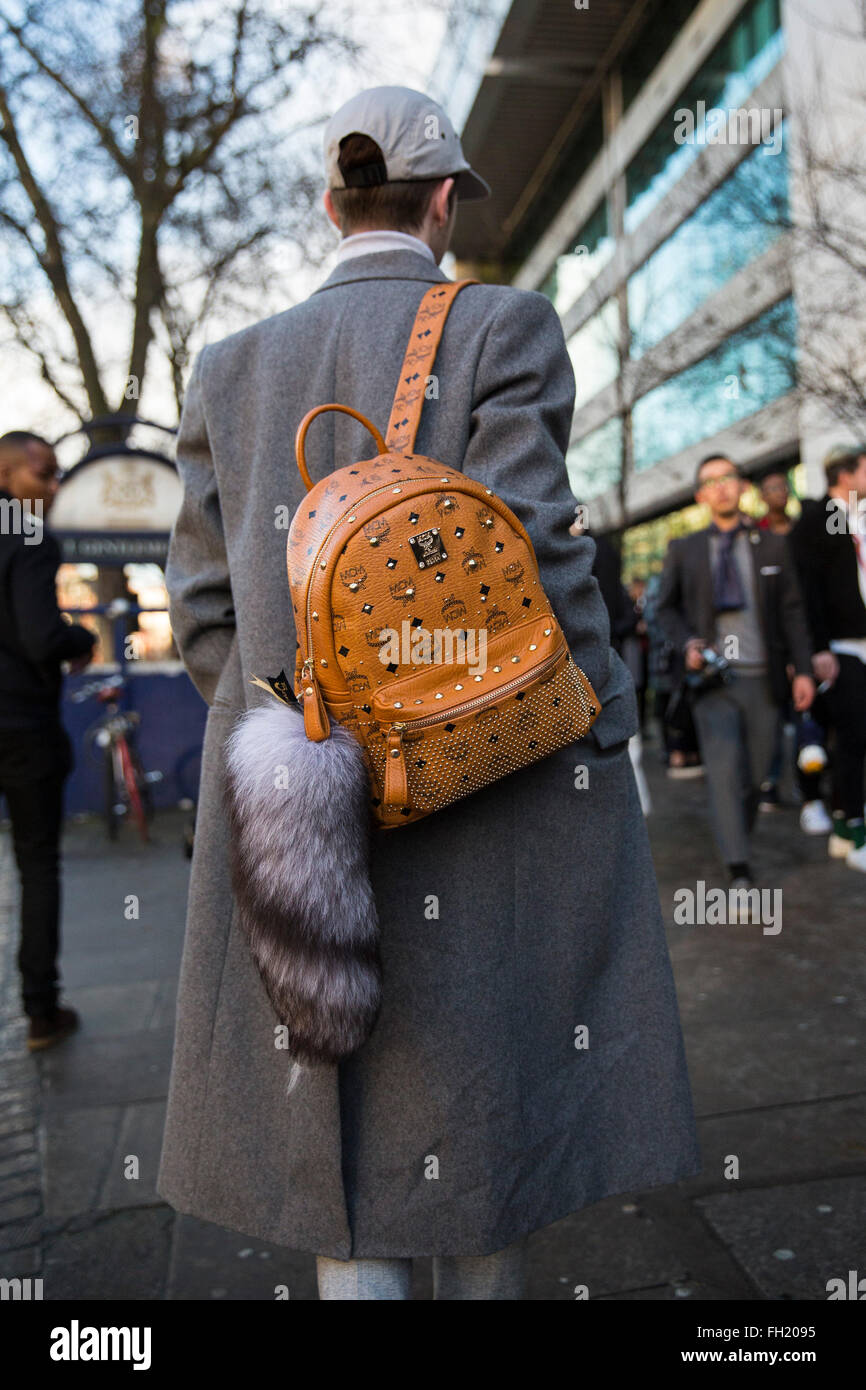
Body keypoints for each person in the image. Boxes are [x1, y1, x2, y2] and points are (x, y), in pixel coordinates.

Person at [157, 85, 701, 1301]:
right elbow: (540, 553)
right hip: (478, 778)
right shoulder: (501, 325)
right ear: (443, 198)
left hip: (295, 795)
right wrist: (600, 713)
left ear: (328, 201)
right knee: (481, 1100)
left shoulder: (228, 369)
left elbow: (199, 604)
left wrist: (299, 722)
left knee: (329, 1121)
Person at [656, 455, 814, 902]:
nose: (721, 487)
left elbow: (793, 612)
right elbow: (665, 608)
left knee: (758, 772)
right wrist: (688, 643)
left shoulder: (771, 546)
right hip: (712, 681)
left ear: (741, 485)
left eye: (728, 478)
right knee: (725, 771)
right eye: (711, 482)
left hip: (762, 677)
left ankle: (735, 833)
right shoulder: (684, 548)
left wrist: (802, 669)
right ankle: (738, 864)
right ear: (701, 496)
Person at [0, 431, 95, 1049]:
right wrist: (81, 639)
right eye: (44, 474)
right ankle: (40, 1011)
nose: (54, 486)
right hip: (20, 729)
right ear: (7, 474)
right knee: (37, 865)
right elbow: (40, 637)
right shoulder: (29, 539)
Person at [789, 444, 866, 870]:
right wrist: (817, 648)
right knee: (853, 737)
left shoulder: (857, 518)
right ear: (846, 474)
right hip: (839, 647)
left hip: (860, 641)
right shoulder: (818, 520)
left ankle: (844, 824)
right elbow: (807, 589)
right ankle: (853, 831)